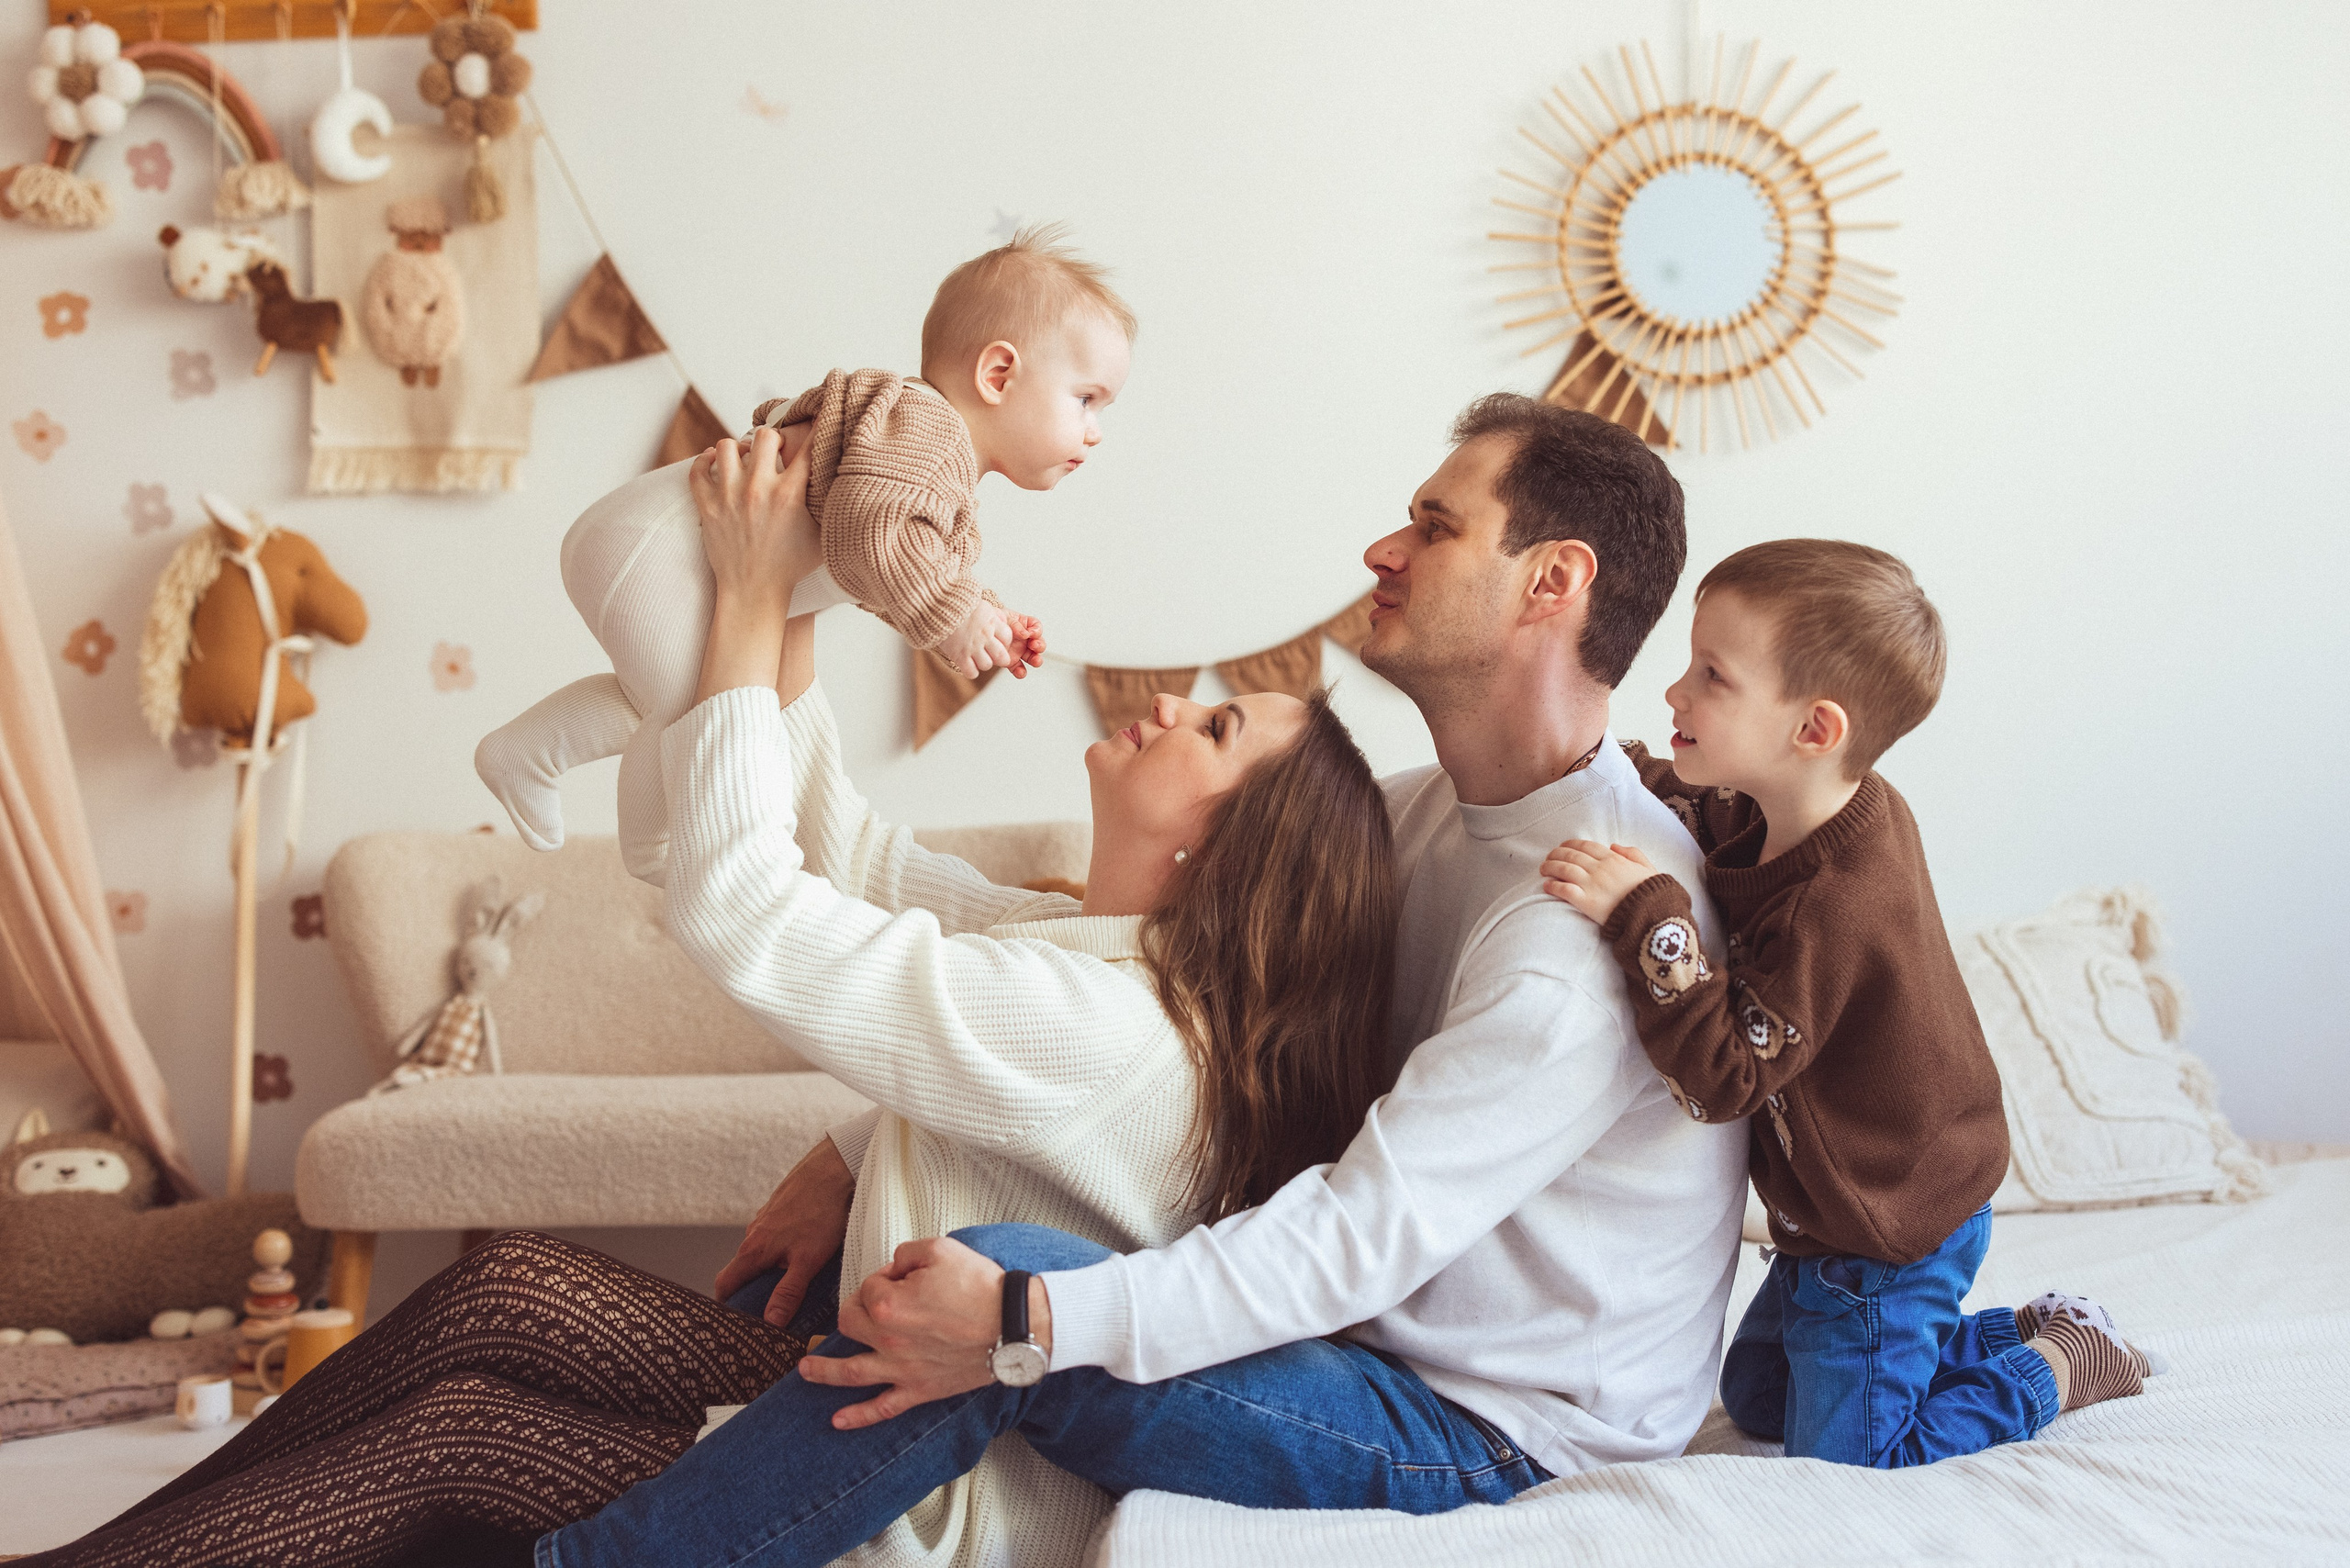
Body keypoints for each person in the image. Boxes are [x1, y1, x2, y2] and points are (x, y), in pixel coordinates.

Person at [19, 423, 1396, 1568]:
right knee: (500, 1300)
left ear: (1230, 852)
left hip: (903, 1515)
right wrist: (792, 605)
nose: (1171, 707)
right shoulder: (1079, 948)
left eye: (1217, 730)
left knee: (465, 1433)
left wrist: (743, 601)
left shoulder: (1107, 1023)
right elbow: (850, 856)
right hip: (844, 1392)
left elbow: (753, 912)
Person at [535, 393, 1752, 1566]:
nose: (1384, 548)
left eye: (1436, 527)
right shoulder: (1424, 820)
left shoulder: (1577, 929)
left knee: (1011, 1281)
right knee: (884, 1279)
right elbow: (1087, 951)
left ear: (1555, 582)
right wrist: (861, 1150)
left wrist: (1029, 1324)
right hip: (1363, 1346)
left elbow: (1360, 1236)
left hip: (1486, 1435)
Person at [1537, 538, 2157, 1468]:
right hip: (1829, 1215)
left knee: (1849, 1458)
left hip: (1886, 1223)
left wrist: (1648, 919)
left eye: (1712, 675)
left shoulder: (1837, 901)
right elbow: (1707, 815)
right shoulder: (1788, 800)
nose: (1674, 693)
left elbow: (1729, 1076)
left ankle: (2061, 1360)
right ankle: (2001, 1329)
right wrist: (1612, 773)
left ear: (1814, 730)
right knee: (1754, 1398)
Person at [475, 223, 1134, 884]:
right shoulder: (929, 430)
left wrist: (983, 612)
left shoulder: (935, 463)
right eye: (1086, 399)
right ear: (997, 374)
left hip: (644, 554)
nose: (1095, 432)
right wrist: (954, 615)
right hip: (648, 554)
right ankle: (653, 856)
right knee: (695, 710)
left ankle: (525, 752)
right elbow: (871, 537)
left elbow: (895, 561)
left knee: (658, 696)